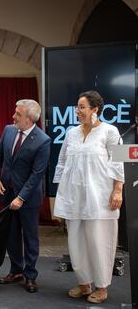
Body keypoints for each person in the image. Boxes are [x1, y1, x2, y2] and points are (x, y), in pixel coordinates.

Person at [53, 91, 124, 304]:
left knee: (99, 242)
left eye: (82, 107)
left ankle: (102, 287)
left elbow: (119, 163)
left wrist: (118, 190)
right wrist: (60, 194)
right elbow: (62, 161)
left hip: (100, 199)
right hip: (74, 198)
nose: (77, 111)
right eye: (77, 107)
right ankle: (84, 283)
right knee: (76, 242)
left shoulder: (110, 131)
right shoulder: (71, 133)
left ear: (95, 109)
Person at [0, 99, 50, 293]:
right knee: (11, 235)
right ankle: (16, 270)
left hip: (29, 198)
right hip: (6, 193)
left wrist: (21, 197)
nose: (13, 116)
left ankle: (30, 275)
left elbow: (37, 174)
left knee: (30, 237)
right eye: (15, 112)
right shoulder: (9, 130)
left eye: (18, 114)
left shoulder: (42, 140)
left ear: (30, 119)